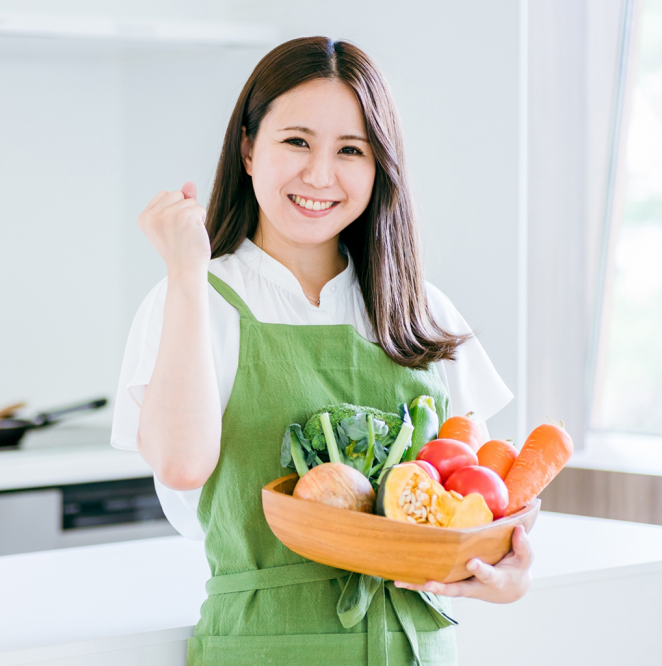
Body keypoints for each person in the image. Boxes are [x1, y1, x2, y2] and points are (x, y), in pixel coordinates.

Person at [110, 36, 533, 665]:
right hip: (264, 648)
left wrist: (509, 573)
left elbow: (486, 501)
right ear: (249, 147)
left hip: (419, 649)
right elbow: (179, 466)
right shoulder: (194, 298)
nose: (320, 175)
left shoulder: (421, 309)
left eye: (351, 151)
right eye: (297, 141)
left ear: (378, 166)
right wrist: (185, 273)